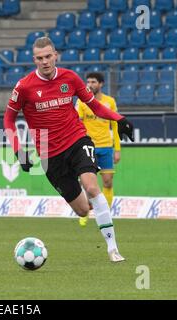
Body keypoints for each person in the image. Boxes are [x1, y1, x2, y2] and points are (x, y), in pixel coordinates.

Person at [3, 37, 134, 262]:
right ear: (34, 59)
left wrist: (118, 118)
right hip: (50, 155)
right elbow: (8, 120)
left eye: (48, 56)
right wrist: (18, 149)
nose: (44, 62)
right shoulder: (24, 86)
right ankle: (98, 211)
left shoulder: (70, 78)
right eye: (39, 58)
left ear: (56, 55)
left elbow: (93, 104)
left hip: (77, 141)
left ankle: (113, 248)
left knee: (92, 187)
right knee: (83, 210)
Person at [76, 72, 121, 227]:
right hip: (88, 147)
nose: (89, 84)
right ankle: (85, 212)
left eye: (93, 82)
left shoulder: (110, 102)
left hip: (106, 147)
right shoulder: (82, 102)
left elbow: (115, 125)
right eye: (88, 81)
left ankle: (105, 213)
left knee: (107, 182)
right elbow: (77, 123)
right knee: (88, 184)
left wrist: (117, 148)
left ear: (101, 84)